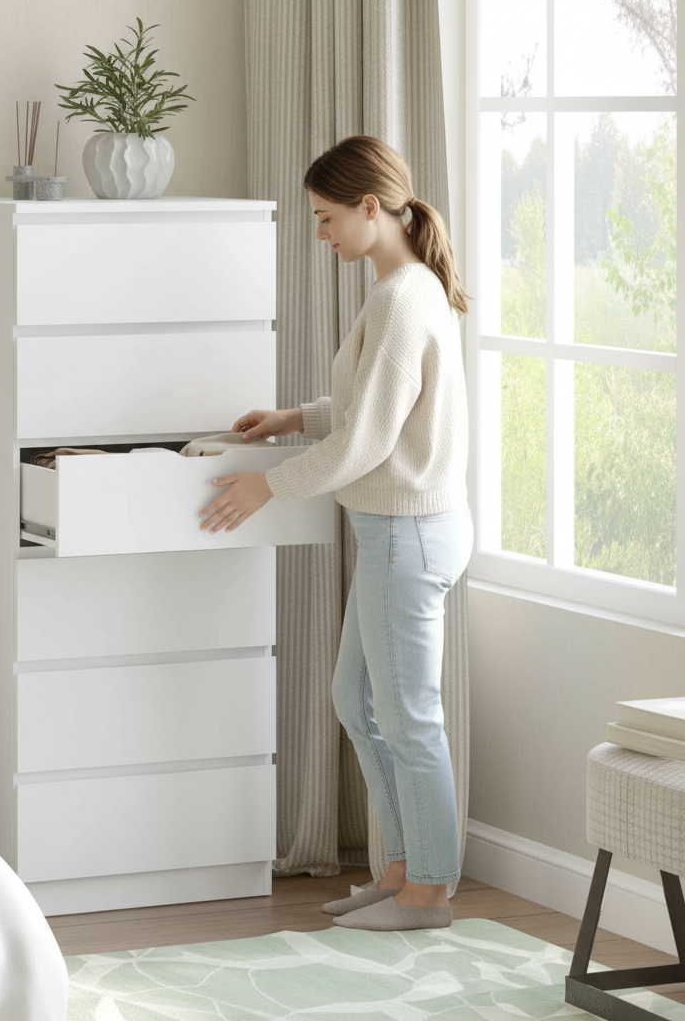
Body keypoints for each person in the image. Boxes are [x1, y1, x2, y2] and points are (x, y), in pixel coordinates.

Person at [197, 134, 473, 932]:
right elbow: (370, 411)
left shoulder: (400, 297)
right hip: (401, 530)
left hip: (403, 536)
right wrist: (292, 419)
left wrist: (268, 486)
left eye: (325, 219)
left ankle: (429, 888)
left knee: (410, 715)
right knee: (356, 698)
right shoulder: (403, 287)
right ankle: (402, 866)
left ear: (369, 207)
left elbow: (366, 444)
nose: (321, 236)